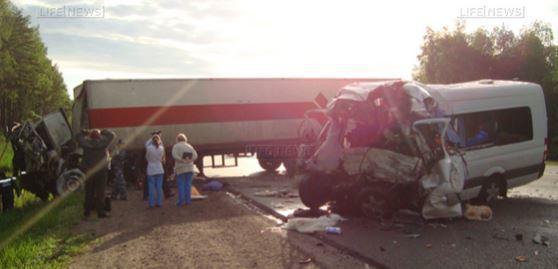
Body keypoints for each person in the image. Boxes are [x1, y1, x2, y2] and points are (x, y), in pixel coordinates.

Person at [76, 129, 115, 218]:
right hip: (101, 171)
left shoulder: (85, 144)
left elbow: (78, 136)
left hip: (89, 171)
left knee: (89, 191)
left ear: (90, 137)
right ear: (99, 136)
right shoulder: (104, 143)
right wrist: (102, 131)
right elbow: (112, 134)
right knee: (100, 192)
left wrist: (85, 132)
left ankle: (87, 212)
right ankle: (101, 212)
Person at [172, 133, 198, 206]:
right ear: (185, 139)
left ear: (177, 139)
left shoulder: (176, 146)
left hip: (180, 168)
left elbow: (174, 155)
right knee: (188, 185)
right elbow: (195, 155)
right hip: (189, 167)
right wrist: (189, 160)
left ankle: (181, 201)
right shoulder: (189, 146)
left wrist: (182, 160)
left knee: (181, 185)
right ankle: (188, 201)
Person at [145, 134, 165, 208]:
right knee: (159, 187)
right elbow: (162, 158)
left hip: (151, 169)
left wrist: (150, 138)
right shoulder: (161, 148)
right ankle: (159, 203)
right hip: (159, 169)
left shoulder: (149, 148)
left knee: (151, 187)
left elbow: (147, 157)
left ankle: (151, 203)